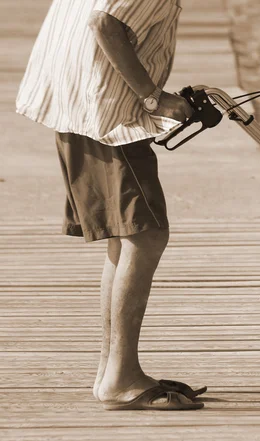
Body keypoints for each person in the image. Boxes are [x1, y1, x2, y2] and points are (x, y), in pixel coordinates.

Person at [16, 0, 205, 410]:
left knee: (126, 236)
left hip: (76, 103)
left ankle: (112, 372)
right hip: (105, 113)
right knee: (147, 233)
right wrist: (153, 97)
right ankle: (120, 377)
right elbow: (104, 24)